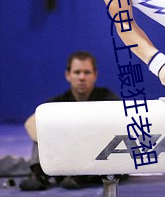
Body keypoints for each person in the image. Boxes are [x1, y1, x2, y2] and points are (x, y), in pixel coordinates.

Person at [19, 51, 119, 191]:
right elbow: (30, 123)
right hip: (65, 155)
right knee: (42, 127)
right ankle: (38, 175)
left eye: (87, 72)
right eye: (77, 72)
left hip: (96, 158)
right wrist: (60, 141)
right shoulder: (58, 103)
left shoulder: (108, 99)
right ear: (68, 75)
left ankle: (80, 176)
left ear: (95, 75)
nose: (82, 77)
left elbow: (119, 126)